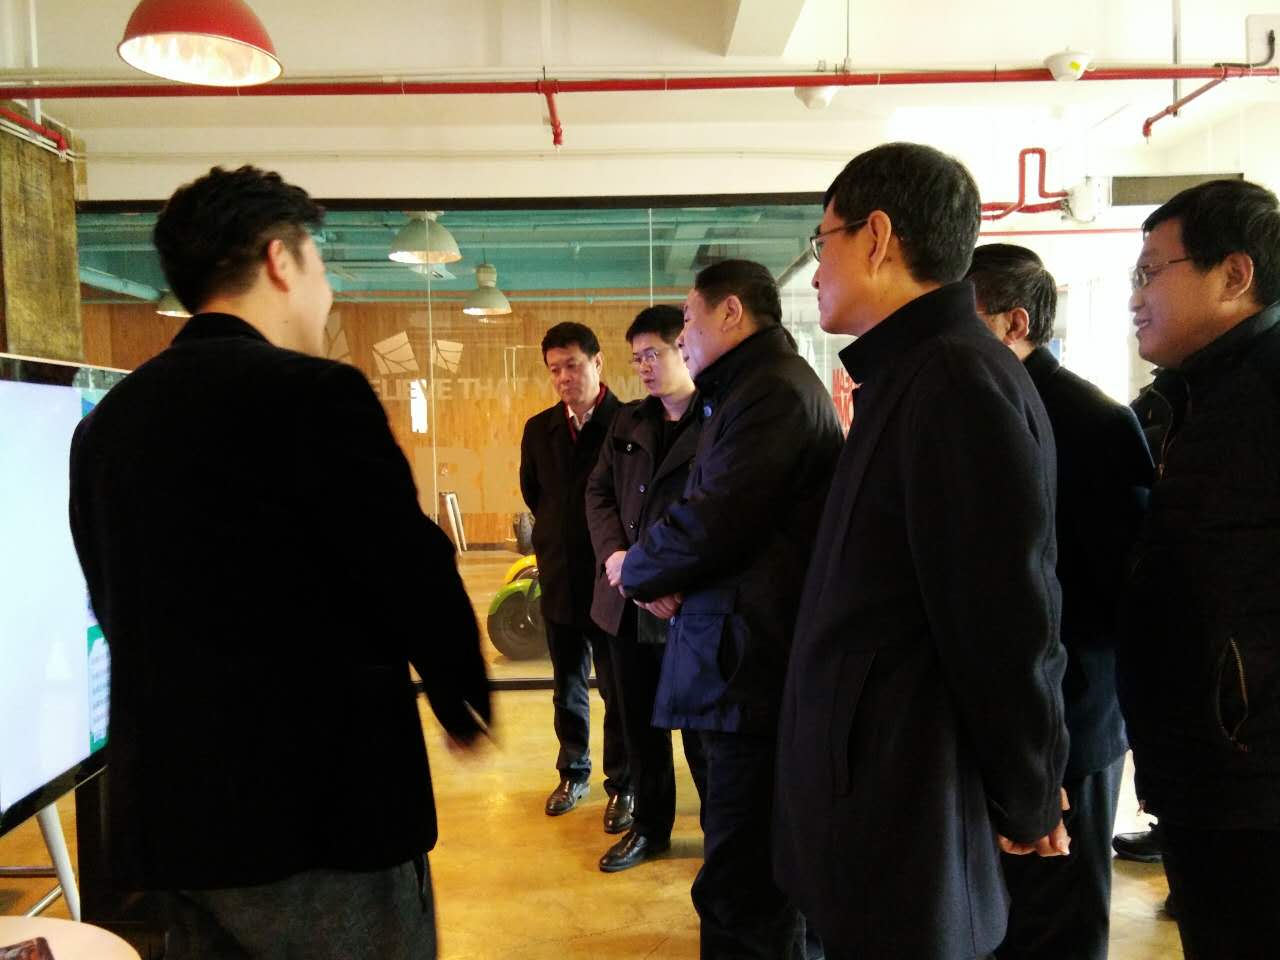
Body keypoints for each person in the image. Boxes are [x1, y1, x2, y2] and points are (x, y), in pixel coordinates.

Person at [67, 165, 491, 960]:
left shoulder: (107, 423)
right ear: (279, 260)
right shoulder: (316, 395)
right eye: (319, 264)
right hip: (318, 820)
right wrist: (459, 690)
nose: (325, 292)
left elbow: (107, 599)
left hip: (173, 822)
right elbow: (408, 570)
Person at [773, 143, 1071, 960]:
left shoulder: (955, 381)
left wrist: (1029, 791)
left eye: (824, 239)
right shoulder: (910, 373)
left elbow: (1003, 618)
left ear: (877, 237)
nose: (817, 267)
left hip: (907, 799)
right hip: (876, 787)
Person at [617, 260, 843, 958]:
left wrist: (637, 569)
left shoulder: (771, 392)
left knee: (744, 882)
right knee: (742, 864)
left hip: (753, 667)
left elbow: (717, 516)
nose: (682, 335)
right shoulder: (747, 389)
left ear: (731, 312)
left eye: (688, 319)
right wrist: (657, 574)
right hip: (739, 656)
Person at [966, 243, 1155, 960]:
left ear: (1015, 323)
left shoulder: (1090, 421)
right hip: (1014, 709)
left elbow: (1115, 595)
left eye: (963, 318)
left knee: (1059, 921)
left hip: (1071, 710)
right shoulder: (982, 408)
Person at [1119, 178, 1280, 959]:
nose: (1135, 298)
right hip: (1204, 767)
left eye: (1152, 272)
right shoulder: (1186, 399)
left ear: (1234, 275)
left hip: (1257, 777)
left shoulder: (1266, 392)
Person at [586, 304, 709, 873]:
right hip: (627, 603)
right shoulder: (628, 422)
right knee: (639, 725)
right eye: (636, 358)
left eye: (652, 354)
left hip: (689, 605)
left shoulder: (717, 421)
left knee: (704, 732)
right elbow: (599, 495)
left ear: (683, 347)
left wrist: (663, 579)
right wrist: (620, 561)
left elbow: (716, 515)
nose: (644, 368)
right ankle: (650, 828)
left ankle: (720, 834)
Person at [520, 322, 631, 830]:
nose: (564, 377)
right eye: (554, 369)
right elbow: (534, 494)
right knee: (567, 685)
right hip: (560, 578)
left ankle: (623, 784)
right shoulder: (538, 429)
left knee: (617, 689)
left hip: (611, 581)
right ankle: (573, 772)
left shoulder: (628, 423)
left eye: (573, 365)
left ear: (597, 362)